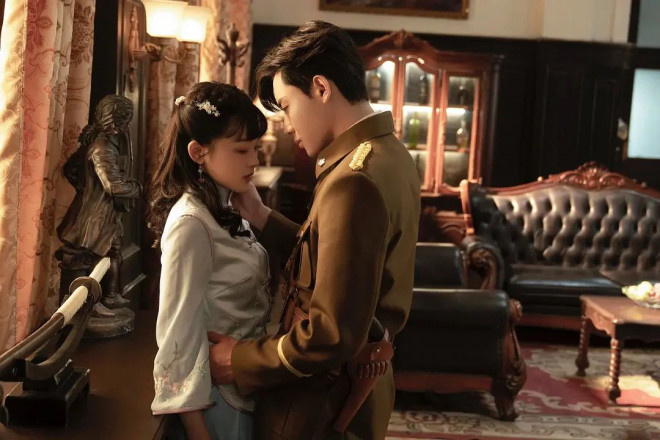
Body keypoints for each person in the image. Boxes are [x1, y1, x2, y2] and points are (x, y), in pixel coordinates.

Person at [208, 21, 421, 439]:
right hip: (359, 381)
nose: (287, 124)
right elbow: (337, 264)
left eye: (287, 106)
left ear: (321, 88)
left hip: (323, 399)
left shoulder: (354, 179)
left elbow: (331, 334)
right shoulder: (389, 154)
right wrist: (261, 215)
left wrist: (240, 360)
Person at [147, 82, 269, 439]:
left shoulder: (224, 207)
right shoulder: (191, 223)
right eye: (242, 150)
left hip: (244, 390)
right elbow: (177, 340)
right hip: (218, 403)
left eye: (256, 148)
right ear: (199, 151)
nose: (255, 161)